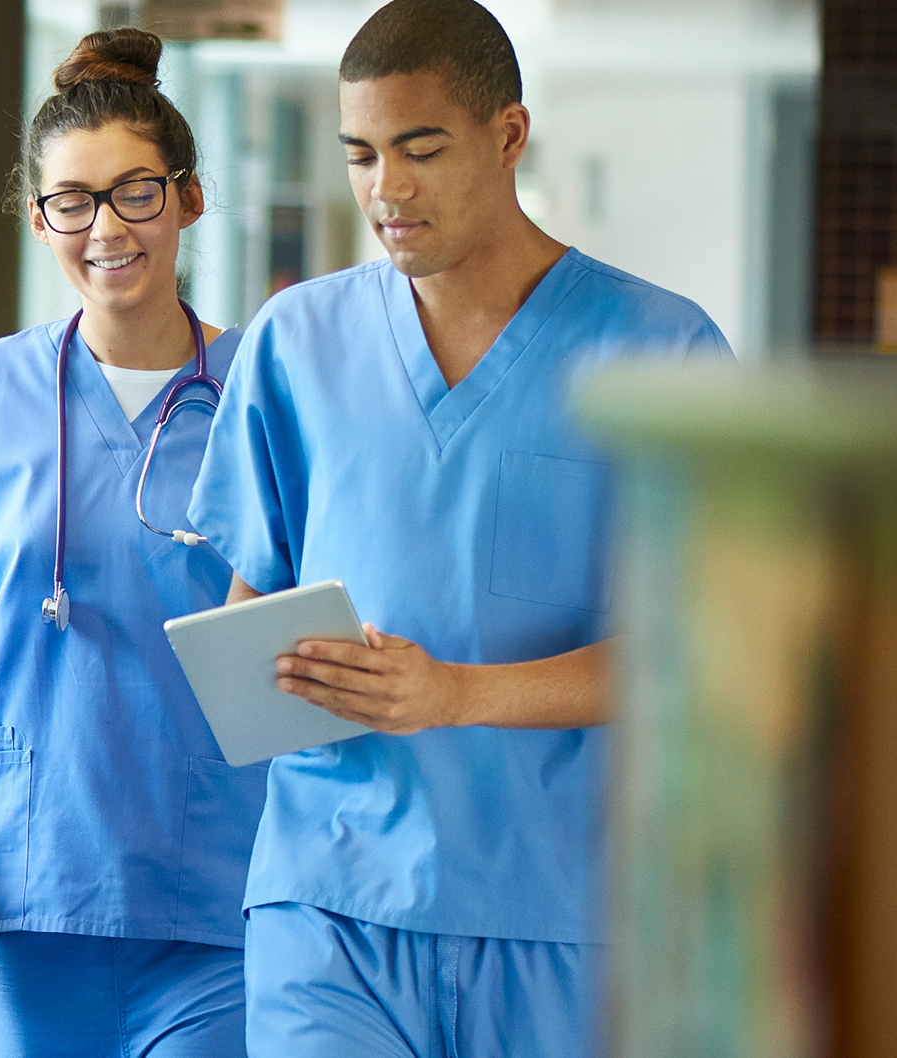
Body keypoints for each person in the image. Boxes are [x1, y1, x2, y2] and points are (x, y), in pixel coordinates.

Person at [186, 2, 733, 1056]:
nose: (384, 189)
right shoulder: (298, 339)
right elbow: (254, 593)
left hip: (561, 912)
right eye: (359, 154)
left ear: (509, 134)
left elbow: (697, 656)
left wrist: (453, 694)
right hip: (327, 897)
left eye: (419, 148)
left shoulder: (661, 352)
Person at [0, 27, 268, 1058]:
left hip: (219, 895)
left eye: (135, 192)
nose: (106, 227)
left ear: (188, 198)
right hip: (26, 893)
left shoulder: (257, 396)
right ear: (39, 216)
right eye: (73, 200)